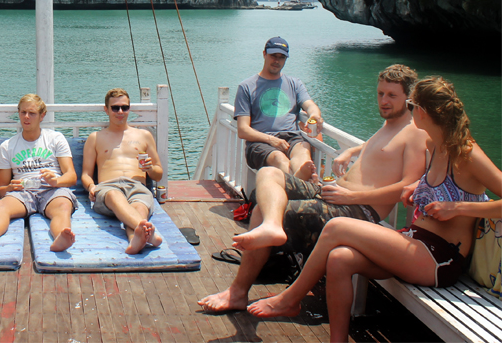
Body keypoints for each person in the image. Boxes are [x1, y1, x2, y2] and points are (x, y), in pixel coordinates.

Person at [247, 76, 502, 342]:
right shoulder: (432, 145)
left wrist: (457, 208)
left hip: (440, 258)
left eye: (412, 105)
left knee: (336, 227)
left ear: (423, 113)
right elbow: (436, 181)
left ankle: (290, 299)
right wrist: (418, 187)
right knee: (339, 258)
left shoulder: (466, 152)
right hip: (413, 242)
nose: (409, 110)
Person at [198, 64, 428, 314]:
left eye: (392, 95)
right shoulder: (389, 125)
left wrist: (352, 195)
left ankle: (242, 293)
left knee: (264, 211)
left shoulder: (415, 133)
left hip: (358, 211)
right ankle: (271, 229)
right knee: (269, 173)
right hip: (333, 196)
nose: (383, 101)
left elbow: (408, 188)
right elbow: (378, 149)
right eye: (380, 93)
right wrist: (351, 150)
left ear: (409, 98)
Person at [0, 94, 78, 252]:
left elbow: (71, 176)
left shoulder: (55, 139)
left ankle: (62, 237)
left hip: (52, 189)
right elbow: (2, 190)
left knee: (63, 206)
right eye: (23, 112)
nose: (26, 117)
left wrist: (56, 181)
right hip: (23, 192)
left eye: (32, 113)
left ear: (42, 116)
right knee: (0, 205)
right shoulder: (7, 146)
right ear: (18, 113)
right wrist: (10, 188)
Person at [81, 88, 165, 254]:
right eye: (115, 108)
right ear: (106, 109)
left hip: (138, 188)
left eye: (124, 107)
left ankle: (135, 239)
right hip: (108, 188)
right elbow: (86, 174)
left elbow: (158, 173)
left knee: (139, 208)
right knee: (114, 195)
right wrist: (91, 187)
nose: (120, 112)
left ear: (129, 109)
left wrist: (150, 168)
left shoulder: (144, 135)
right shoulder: (95, 138)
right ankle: (150, 233)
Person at [235, 36, 323, 180]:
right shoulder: (246, 87)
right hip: (260, 141)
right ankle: (303, 184)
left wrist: (314, 115)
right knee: (280, 159)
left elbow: (310, 105)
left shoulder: (295, 84)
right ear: (264, 54)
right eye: (273, 56)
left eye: (281, 57)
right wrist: (271, 140)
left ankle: (298, 182)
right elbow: (243, 130)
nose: (277, 61)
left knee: (304, 154)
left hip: (291, 137)